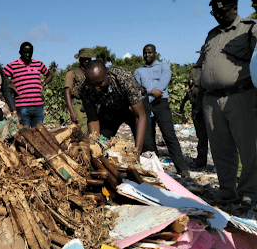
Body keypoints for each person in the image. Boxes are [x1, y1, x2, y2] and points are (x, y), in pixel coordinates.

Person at [198, 0, 257, 213]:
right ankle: (226, 192)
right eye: (214, 13)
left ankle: (249, 194)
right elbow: (203, 64)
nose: (218, 16)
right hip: (211, 100)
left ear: (235, 8)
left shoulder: (250, 28)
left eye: (222, 12)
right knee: (221, 149)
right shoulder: (211, 35)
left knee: (247, 148)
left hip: (240, 96)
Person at [134, 44, 190, 177]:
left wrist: (150, 94)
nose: (147, 55)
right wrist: (150, 92)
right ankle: (153, 168)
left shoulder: (164, 67)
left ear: (155, 53)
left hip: (161, 104)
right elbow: (137, 88)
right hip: (145, 104)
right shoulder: (138, 71)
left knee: (169, 135)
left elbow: (162, 85)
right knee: (148, 137)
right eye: (145, 53)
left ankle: (182, 169)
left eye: (150, 52)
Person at [79, 61, 154, 155]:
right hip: (111, 107)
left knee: (145, 145)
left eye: (100, 83)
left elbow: (140, 116)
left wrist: (137, 152)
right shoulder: (84, 87)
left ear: (107, 74)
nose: (96, 88)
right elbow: (92, 118)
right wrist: (95, 145)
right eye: (92, 85)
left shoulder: (124, 78)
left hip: (133, 107)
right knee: (102, 141)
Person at [3, 42, 53, 127]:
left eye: (30, 52)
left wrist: (43, 84)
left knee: (39, 133)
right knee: (25, 133)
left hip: (38, 106)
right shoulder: (13, 65)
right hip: (22, 106)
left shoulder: (38, 64)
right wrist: (11, 86)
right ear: (20, 52)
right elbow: (1, 76)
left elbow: (50, 75)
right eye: (25, 52)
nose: (27, 54)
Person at [179, 64, 209, 169]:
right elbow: (190, 92)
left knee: (210, 135)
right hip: (196, 107)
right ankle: (201, 161)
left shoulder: (210, 69)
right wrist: (182, 105)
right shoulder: (195, 70)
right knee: (201, 135)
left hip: (206, 106)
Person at [64, 48, 95, 133]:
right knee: (82, 131)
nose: (87, 61)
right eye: (84, 59)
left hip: (90, 104)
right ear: (80, 59)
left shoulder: (92, 72)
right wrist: (72, 111)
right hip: (78, 104)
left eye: (88, 59)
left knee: (93, 132)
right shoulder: (72, 73)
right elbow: (67, 91)